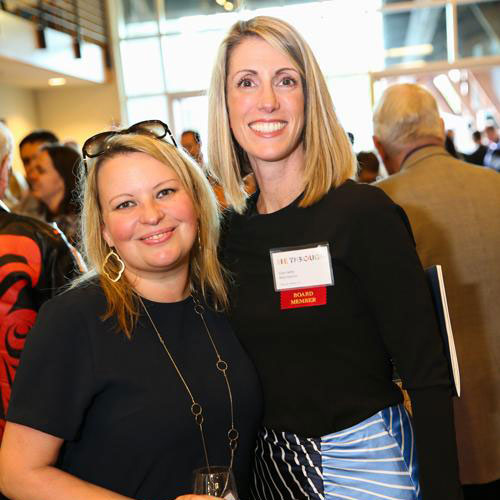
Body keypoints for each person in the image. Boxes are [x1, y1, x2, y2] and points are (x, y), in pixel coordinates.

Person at [208, 16, 462, 500]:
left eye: (286, 80)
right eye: (246, 82)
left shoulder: (362, 214)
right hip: (272, 475)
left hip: (369, 469)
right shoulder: (227, 236)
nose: (268, 101)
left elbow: (427, 373)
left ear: (310, 98)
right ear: (224, 103)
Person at [0, 122, 262, 500]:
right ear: (105, 228)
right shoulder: (73, 319)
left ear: (196, 199)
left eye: (165, 192)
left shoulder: (223, 299)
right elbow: (17, 473)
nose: (152, 215)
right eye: (126, 203)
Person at [372, 83, 500, 500]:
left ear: (379, 146)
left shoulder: (378, 207)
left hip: (444, 432)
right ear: (441, 127)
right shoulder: (493, 185)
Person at [0, 122, 77, 443]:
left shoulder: (46, 235)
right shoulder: (37, 239)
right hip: (32, 430)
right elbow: (78, 338)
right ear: (5, 168)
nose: (31, 173)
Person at [27, 143, 81, 243]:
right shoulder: (34, 216)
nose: (32, 176)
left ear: (63, 176)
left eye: (40, 170)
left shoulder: (82, 227)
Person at [14, 130, 59, 218]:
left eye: (39, 159)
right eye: (26, 161)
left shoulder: (87, 203)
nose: (32, 167)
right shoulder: (19, 213)